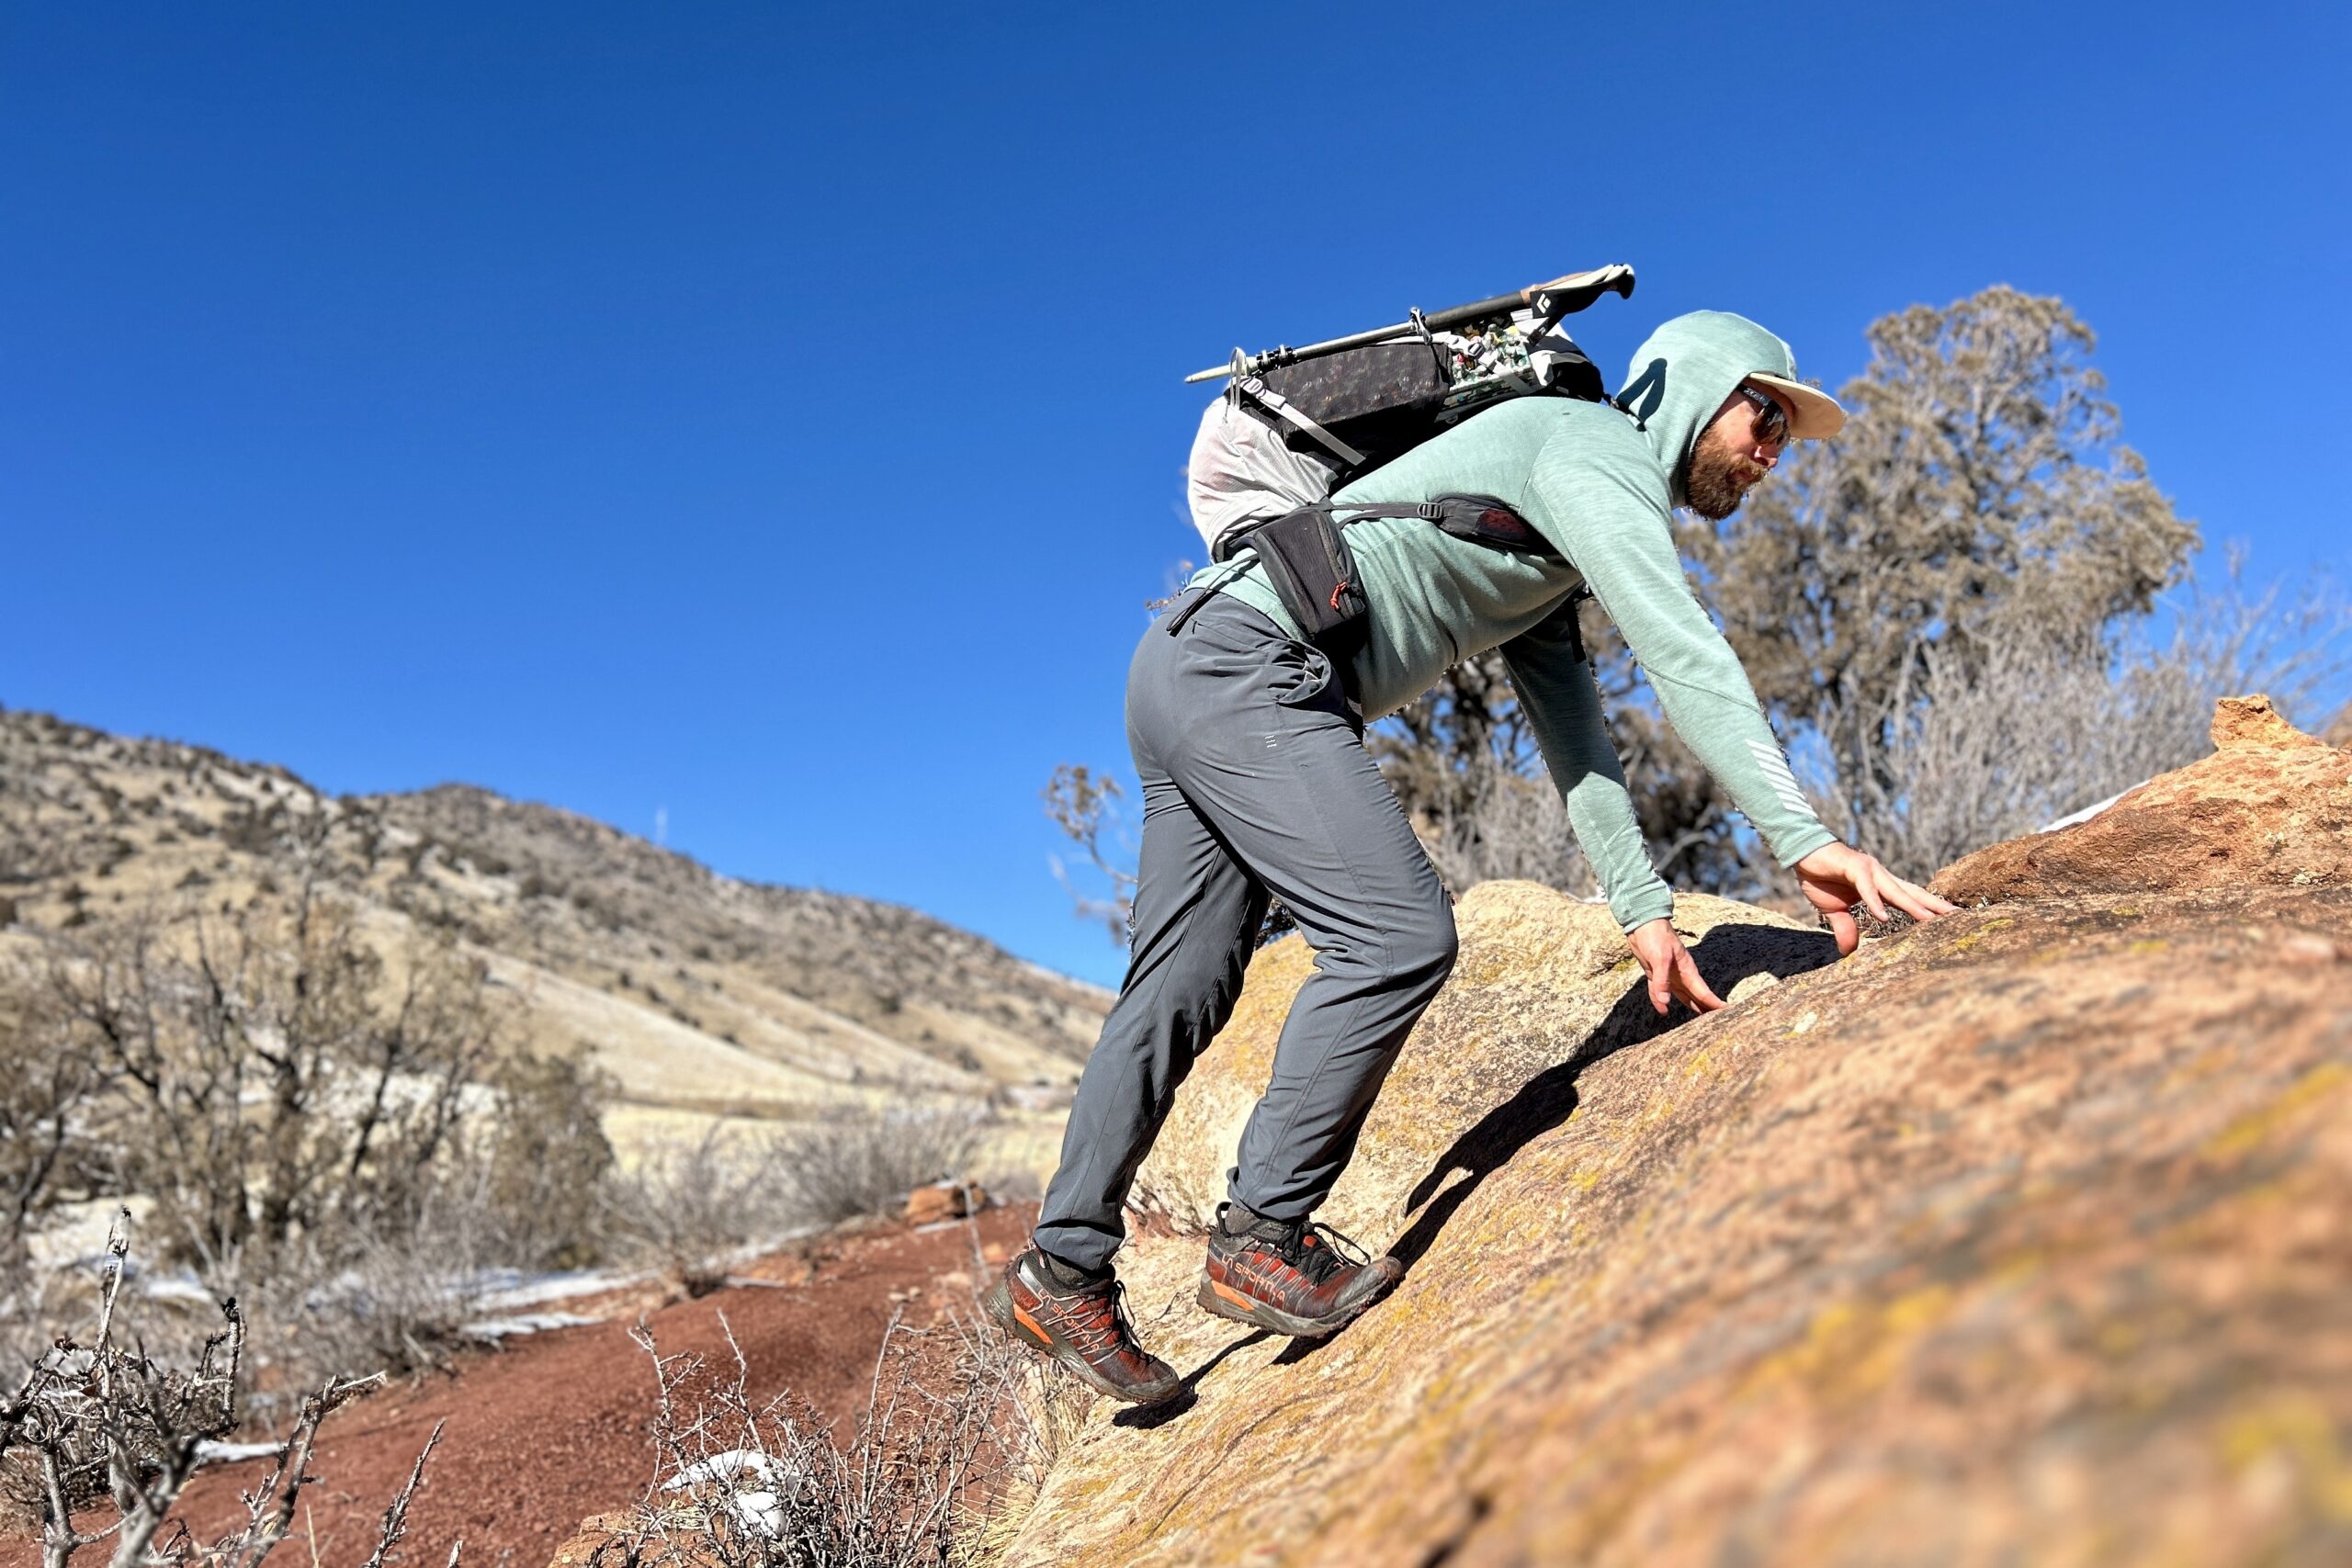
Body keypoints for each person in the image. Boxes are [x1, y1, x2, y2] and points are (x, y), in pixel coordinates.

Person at [983, 310, 1957, 1404]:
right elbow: (1683, 651)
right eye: (1763, 411)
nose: (1774, 447)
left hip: (1181, 664)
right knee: (1394, 936)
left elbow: (1575, 731)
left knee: (1181, 987)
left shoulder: (1548, 513)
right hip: (1252, 668)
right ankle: (1262, 1233)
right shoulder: (1587, 446)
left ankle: (1059, 1273)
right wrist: (1807, 840)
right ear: (1694, 385)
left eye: (1786, 429)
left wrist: (1642, 911)